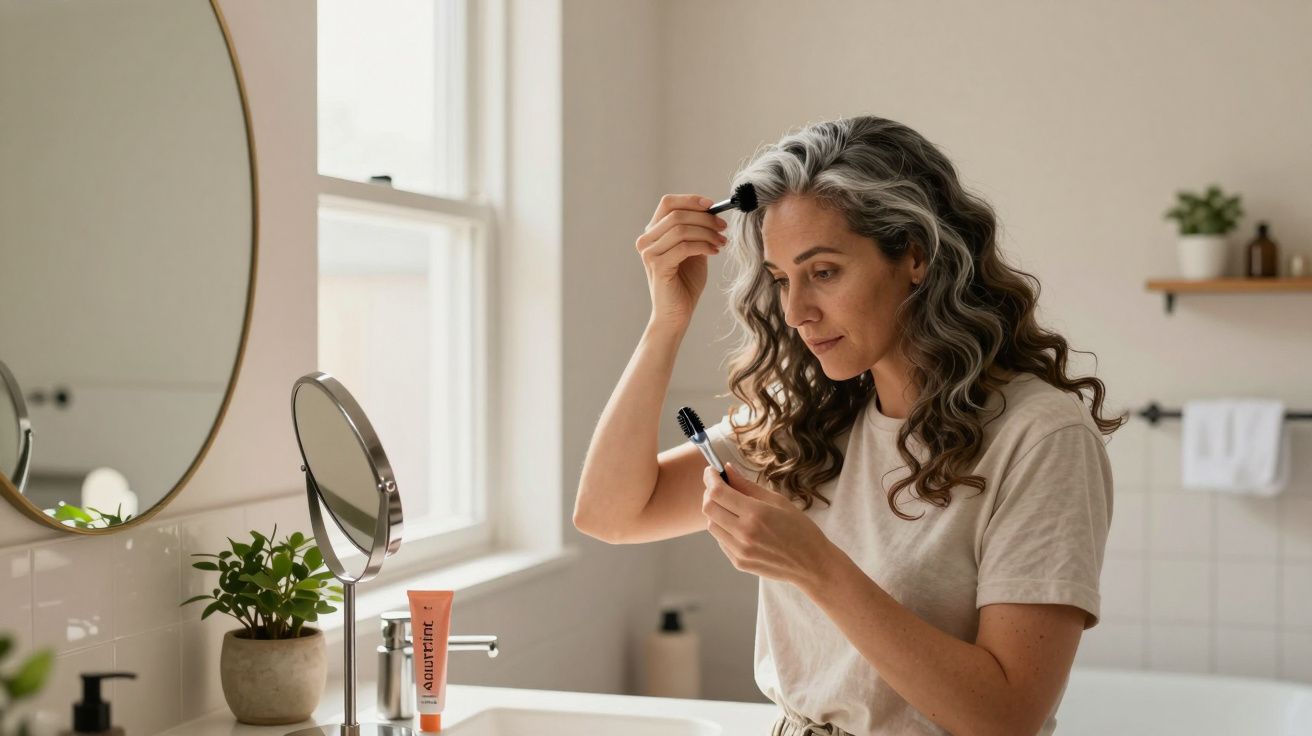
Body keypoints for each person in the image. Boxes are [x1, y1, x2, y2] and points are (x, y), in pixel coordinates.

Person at [573, 114, 1124, 736]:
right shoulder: (806, 417)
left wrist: (816, 565)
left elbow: (1006, 718)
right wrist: (666, 320)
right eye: (782, 279)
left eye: (825, 272)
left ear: (915, 255)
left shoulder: (1040, 436)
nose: (797, 311)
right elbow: (610, 515)